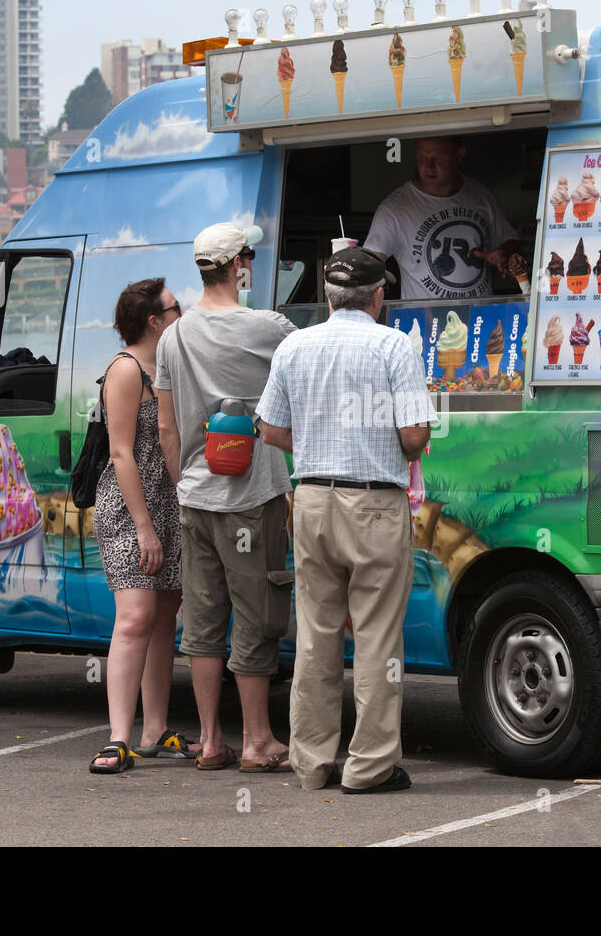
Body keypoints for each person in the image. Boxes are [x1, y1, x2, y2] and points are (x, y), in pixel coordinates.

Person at [258, 247, 437, 793]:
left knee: (315, 636)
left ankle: (311, 763)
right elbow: (414, 437)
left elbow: (268, 429)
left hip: (310, 501)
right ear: (378, 295)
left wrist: (314, 442)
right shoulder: (393, 346)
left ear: (329, 296)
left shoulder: (294, 345)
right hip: (375, 505)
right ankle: (369, 767)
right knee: (378, 639)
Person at [155, 222, 296, 773]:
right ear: (238, 263)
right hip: (251, 496)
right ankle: (258, 740)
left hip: (195, 498)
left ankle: (211, 740)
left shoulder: (174, 336)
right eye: (251, 255)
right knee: (256, 615)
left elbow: (167, 428)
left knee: (205, 623)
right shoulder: (268, 327)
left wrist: (185, 482)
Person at [89, 277, 197, 774]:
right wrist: (145, 527)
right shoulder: (127, 369)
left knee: (163, 616)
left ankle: (154, 729)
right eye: (175, 308)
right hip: (130, 507)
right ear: (154, 320)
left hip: (168, 502)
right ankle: (117, 738)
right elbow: (121, 453)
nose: (183, 313)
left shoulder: (168, 365)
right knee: (134, 617)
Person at [364, 136, 522, 300]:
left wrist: (503, 254)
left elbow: (511, 241)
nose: (429, 167)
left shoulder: (481, 196)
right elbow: (367, 265)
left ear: (459, 155)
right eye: (422, 158)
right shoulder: (395, 208)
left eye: (438, 158)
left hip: (479, 321)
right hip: (425, 322)